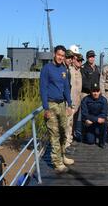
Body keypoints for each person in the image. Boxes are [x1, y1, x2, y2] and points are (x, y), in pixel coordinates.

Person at [39, 45, 75, 173]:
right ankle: (57, 163)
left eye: (63, 56)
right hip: (51, 105)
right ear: (54, 54)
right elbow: (43, 89)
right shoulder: (46, 69)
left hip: (62, 105)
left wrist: (69, 104)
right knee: (55, 134)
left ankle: (62, 156)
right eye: (59, 55)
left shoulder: (63, 69)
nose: (61, 57)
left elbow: (66, 88)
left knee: (63, 133)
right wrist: (46, 108)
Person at [81, 83, 108, 149]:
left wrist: (96, 119)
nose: (95, 93)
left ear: (100, 91)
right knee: (90, 141)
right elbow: (84, 114)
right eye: (93, 91)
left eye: (97, 91)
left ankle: (102, 142)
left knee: (104, 122)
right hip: (90, 123)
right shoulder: (85, 100)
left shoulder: (103, 100)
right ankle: (91, 135)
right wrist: (95, 119)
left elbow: (104, 113)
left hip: (99, 122)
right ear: (91, 91)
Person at [65, 53, 83, 152]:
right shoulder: (70, 70)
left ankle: (69, 140)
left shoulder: (79, 70)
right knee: (68, 123)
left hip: (77, 101)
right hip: (70, 101)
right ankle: (66, 144)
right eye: (78, 60)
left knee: (72, 123)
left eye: (81, 61)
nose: (80, 62)